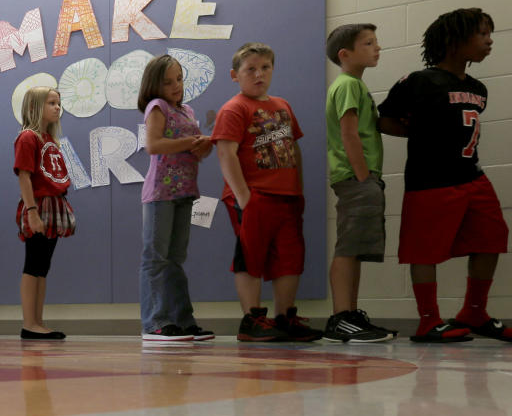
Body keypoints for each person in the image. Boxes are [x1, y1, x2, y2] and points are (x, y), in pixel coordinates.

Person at [378, 8, 509, 343]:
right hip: (430, 180)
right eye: (481, 34)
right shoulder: (420, 81)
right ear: (454, 41)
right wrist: (424, 135)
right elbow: (386, 120)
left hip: (472, 176)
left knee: (492, 237)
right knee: (425, 250)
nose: (489, 40)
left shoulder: (478, 87)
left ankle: (474, 312)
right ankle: (428, 321)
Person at [212, 42, 322, 342]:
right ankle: (252, 319)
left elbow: (293, 147)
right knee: (251, 256)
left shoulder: (283, 106)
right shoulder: (234, 109)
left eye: (265, 68)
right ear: (235, 75)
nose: (259, 74)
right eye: (251, 69)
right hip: (253, 196)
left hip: (286, 197)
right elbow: (226, 154)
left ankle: (285, 317)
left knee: (289, 256)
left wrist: (297, 187)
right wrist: (244, 198)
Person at [323, 23, 396, 343]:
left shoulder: (354, 85)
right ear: (345, 54)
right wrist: (364, 175)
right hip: (356, 178)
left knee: (355, 249)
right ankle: (341, 317)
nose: (376, 48)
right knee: (348, 247)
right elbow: (348, 133)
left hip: (361, 177)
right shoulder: (348, 85)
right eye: (368, 43)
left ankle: (350, 314)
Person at [135, 56, 215, 341]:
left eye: (179, 79)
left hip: (184, 190)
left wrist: (204, 145)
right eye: (168, 81)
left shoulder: (188, 110)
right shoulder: (158, 107)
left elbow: (195, 153)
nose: (175, 86)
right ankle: (155, 321)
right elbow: (153, 145)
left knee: (175, 259)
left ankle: (183, 320)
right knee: (156, 258)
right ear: (155, 84)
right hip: (160, 193)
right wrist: (191, 142)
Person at [14, 87, 77, 340]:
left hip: (53, 204)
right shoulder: (28, 137)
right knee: (34, 263)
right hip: (38, 205)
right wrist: (32, 211)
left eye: (58, 103)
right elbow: (25, 177)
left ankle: (38, 320)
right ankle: (29, 323)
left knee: (43, 267)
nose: (57, 107)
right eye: (51, 103)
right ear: (34, 107)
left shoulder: (49, 139)